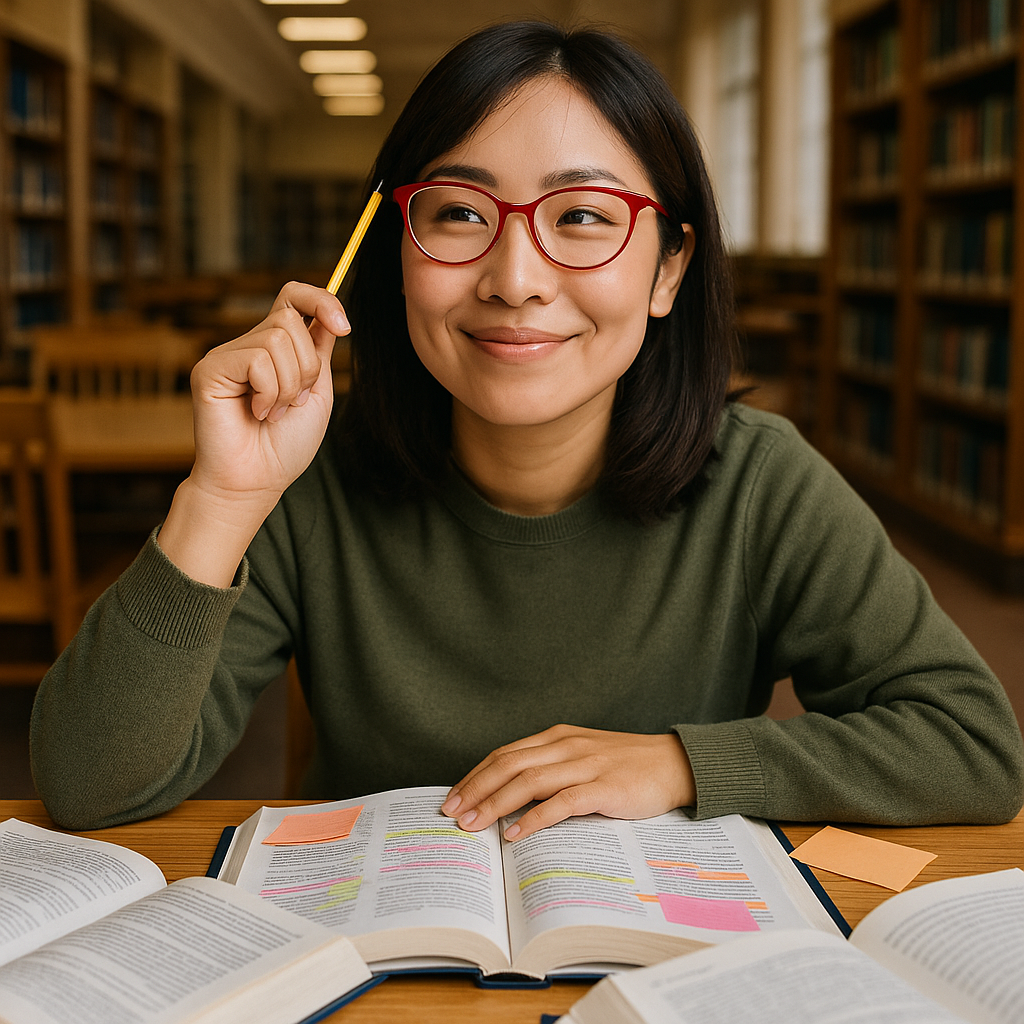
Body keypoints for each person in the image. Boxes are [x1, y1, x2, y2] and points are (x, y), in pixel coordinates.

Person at [31, 22, 1023, 835]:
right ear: (395, 246)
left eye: (582, 216)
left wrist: (682, 762)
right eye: (460, 213)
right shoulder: (313, 481)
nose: (513, 278)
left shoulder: (761, 482)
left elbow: (973, 746)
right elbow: (89, 787)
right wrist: (223, 497)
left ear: (669, 268)